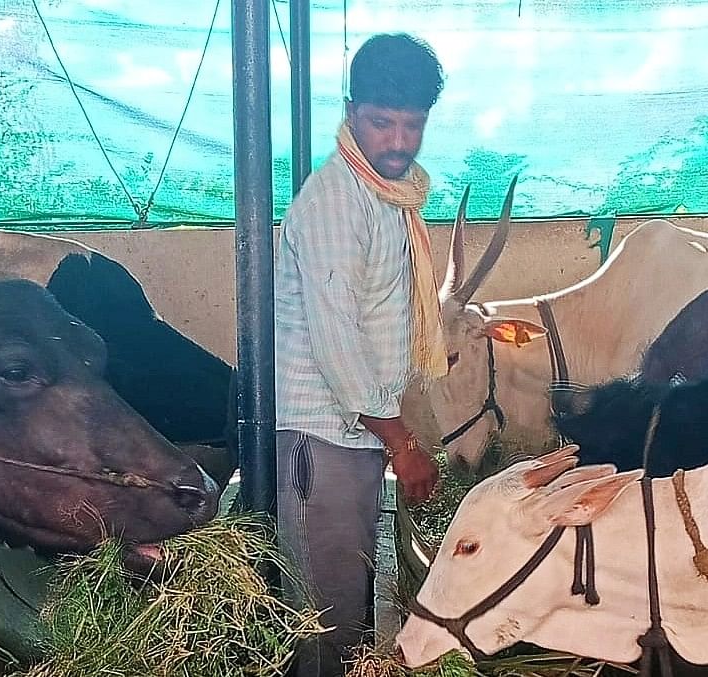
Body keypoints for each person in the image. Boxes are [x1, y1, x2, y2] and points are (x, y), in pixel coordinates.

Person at [273, 32, 447, 676]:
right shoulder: (334, 202)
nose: (399, 142)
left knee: (346, 602)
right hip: (320, 438)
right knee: (321, 622)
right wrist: (403, 443)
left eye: (413, 125)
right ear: (351, 113)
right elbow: (338, 343)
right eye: (382, 123)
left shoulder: (388, 198)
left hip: (357, 434)